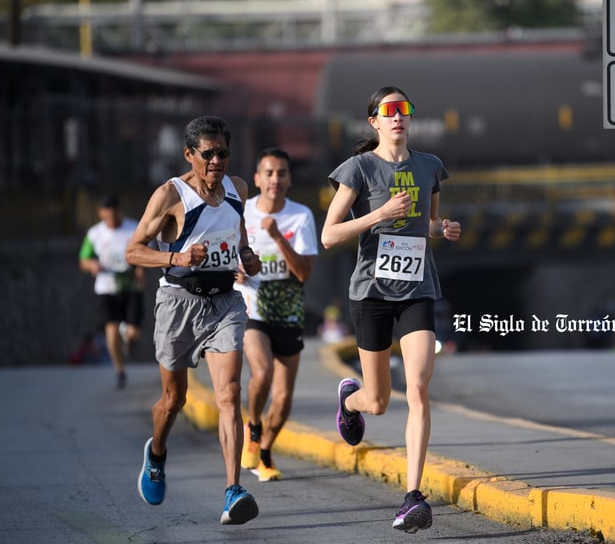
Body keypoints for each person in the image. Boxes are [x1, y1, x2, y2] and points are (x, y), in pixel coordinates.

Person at [320, 86, 462, 534]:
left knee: (418, 388)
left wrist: (443, 228)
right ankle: (351, 400)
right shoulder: (359, 168)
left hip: (418, 289)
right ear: (374, 122)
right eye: (390, 111)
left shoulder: (429, 167)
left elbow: (428, 223)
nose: (399, 117)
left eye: (405, 110)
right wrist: (378, 215)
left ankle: (413, 495)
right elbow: (329, 235)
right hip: (372, 293)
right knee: (378, 402)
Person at [125, 115, 262, 525]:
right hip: (178, 303)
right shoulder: (170, 195)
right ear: (190, 154)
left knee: (229, 393)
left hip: (225, 303)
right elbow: (134, 250)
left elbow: (238, 238)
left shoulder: (238, 189)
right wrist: (176, 257)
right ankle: (157, 453)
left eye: (223, 153)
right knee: (173, 402)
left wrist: (247, 257)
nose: (216, 160)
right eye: (208, 154)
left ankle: (232, 490)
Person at [234, 147, 318, 482]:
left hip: (289, 309)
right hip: (252, 306)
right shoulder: (242, 212)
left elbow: (303, 273)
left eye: (281, 173)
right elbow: (224, 254)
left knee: (282, 399)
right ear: (257, 178)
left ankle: (265, 452)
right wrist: (233, 272)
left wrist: (276, 236)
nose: (275, 180)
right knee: (262, 372)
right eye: (268, 173)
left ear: (289, 179)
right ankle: (253, 426)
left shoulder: (301, 216)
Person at [78, 194, 144, 388]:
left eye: (114, 215)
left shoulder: (133, 228)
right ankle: (119, 370)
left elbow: (146, 251)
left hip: (130, 285)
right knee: (111, 327)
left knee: (134, 331)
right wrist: (92, 265)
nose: (111, 219)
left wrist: (140, 268)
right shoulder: (94, 234)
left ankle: (128, 337)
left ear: (119, 212)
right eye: (107, 216)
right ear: (101, 214)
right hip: (106, 287)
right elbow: (83, 259)